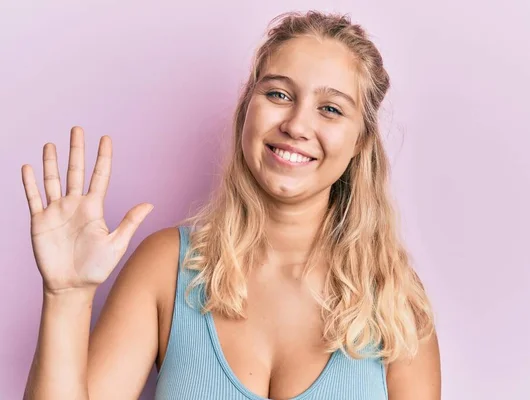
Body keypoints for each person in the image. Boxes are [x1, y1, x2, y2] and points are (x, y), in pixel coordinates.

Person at [21, 10, 441, 400]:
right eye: (278, 94)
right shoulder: (165, 267)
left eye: (330, 109)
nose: (296, 125)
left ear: (360, 141)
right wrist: (67, 296)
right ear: (247, 109)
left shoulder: (394, 299)